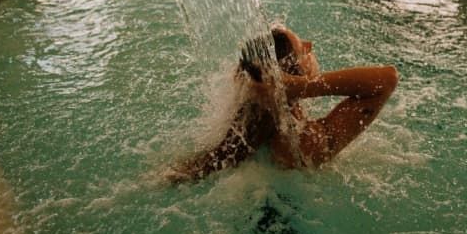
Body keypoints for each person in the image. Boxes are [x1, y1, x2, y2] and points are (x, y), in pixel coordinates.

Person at [168, 26, 398, 181]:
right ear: (290, 78)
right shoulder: (299, 146)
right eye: (302, 50)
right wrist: (304, 87)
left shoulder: (236, 140)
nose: (309, 46)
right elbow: (387, 79)